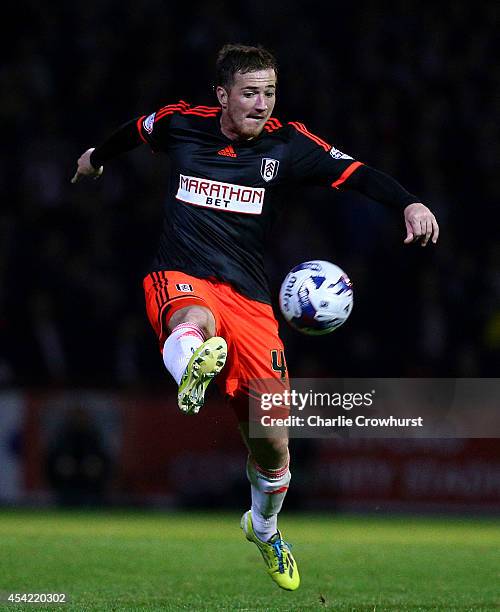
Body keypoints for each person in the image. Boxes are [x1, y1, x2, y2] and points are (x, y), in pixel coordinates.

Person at [72, 43, 439, 591]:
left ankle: (263, 527)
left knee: (272, 443)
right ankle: (191, 367)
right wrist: (95, 156)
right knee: (191, 319)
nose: (262, 103)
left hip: (250, 299)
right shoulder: (181, 124)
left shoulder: (288, 145)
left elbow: (356, 172)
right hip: (182, 272)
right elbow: (134, 130)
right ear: (222, 95)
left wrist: (408, 201)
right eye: (250, 93)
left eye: (269, 92)